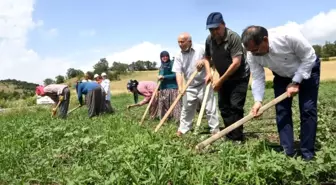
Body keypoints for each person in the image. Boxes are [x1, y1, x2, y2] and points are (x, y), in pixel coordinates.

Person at [241, 25, 321, 161]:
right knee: (282, 111)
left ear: (265, 40)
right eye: (250, 51)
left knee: (308, 110)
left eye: (256, 50)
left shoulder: (288, 36)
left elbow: (309, 57)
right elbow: (258, 77)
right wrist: (257, 101)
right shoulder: (251, 53)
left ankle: (308, 153)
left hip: (307, 69)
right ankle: (287, 151)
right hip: (281, 76)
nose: (253, 54)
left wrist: (296, 82)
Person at [202, 12, 250, 142]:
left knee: (235, 106)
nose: (214, 32)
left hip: (239, 77)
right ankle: (230, 135)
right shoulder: (209, 40)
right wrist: (208, 73)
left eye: (217, 28)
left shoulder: (233, 37)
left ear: (223, 25)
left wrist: (220, 81)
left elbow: (236, 63)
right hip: (224, 77)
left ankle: (238, 138)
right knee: (224, 107)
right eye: (211, 29)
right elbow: (206, 58)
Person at [173, 32, 220, 136]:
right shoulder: (178, 55)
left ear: (189, 41)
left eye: (182, 42)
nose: (180, 44)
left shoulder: (201, 49)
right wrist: (181, 87)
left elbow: (212, 61)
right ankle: (183, 129)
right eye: (178, 42)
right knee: (187, 108)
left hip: (204, 84)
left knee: (209, 107)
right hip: (189, 85)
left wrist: (204, 62)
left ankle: (215, 130)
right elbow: (178, 72)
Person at [157, 51, 181, 123]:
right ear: (161, 58)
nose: (165, 58)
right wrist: (158, 89)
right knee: (164, 104)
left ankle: (177, 120)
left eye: (166, 56)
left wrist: (164, 77)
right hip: (163, 88)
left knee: (175, 105)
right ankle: (165, 119)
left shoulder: (172, 64)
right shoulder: (161, 66)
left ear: (168, 56)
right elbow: (160, 77)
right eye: (163, 56)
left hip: (172, 88)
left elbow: (175, 75)